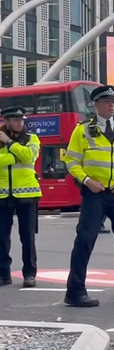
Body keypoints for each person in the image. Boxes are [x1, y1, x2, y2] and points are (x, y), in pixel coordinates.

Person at [63, 85, 114, 307]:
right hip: (94, 194)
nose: (111, 105)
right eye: (107, 102)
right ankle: (75, 292)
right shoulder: (83, 130)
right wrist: (87, 181)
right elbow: (71, 161)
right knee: (85, 240)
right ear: (95, 105)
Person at [0, 106, 41, 288]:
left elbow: (29, 157)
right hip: (2, 194)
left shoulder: (31, 138)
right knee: (1, 238)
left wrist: (10, 143)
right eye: (15, 120)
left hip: (28, 194)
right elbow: (19, 158)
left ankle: (29, 274)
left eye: (21, 120)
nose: (19, 123)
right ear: (6, 121)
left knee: (27, 237)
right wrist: (14, 157)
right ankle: (3, 275)